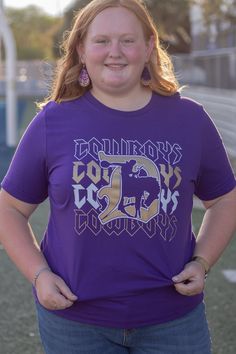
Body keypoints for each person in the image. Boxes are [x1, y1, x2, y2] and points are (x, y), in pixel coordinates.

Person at [0, 0, 235, 353]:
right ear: (81, 49)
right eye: (102, 41)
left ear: (149, 47)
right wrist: (39, 274)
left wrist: (203, 261)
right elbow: (9, 209)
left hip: (172, 319)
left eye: (127, 40)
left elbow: (224, 199)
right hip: (75, 323)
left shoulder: (190, 120)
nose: (115, 52)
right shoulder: (53, 121)